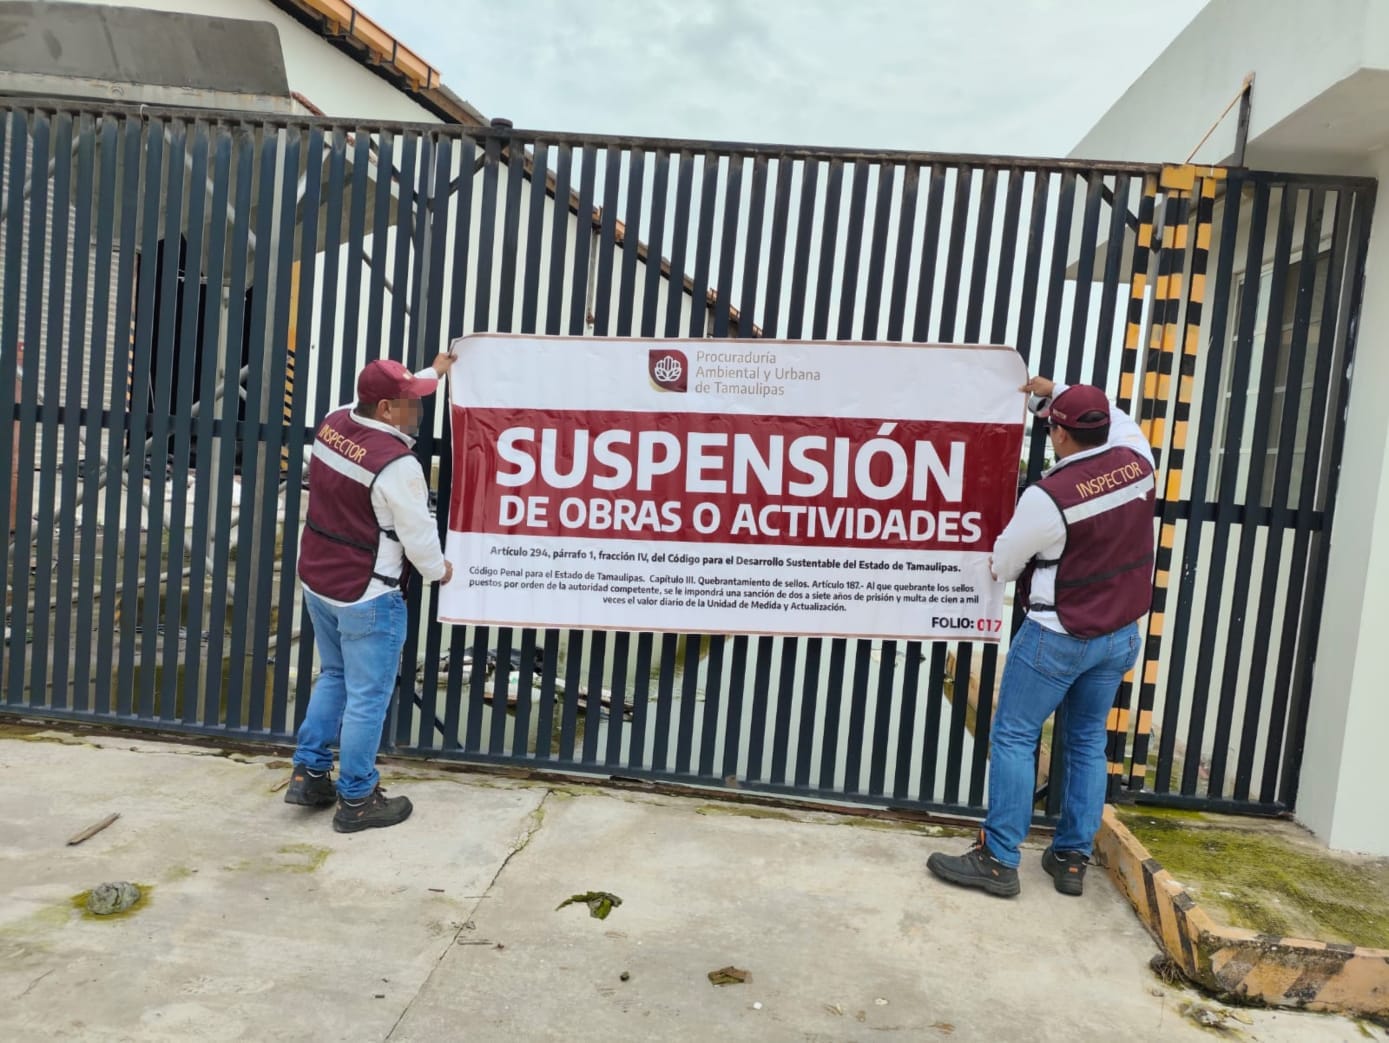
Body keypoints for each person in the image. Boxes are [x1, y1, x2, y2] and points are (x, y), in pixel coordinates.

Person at [927, 377, 1155, 897]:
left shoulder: (1049, 498)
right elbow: (1119, 418)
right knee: (1087, 741)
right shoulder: (1138, 462)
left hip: (1058, 635)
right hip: (1119, 634)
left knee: (1014, 735)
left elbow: (1005, 565)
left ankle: (999, 859)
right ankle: (1071, 859)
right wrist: (1061, 390)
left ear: (1058, 434)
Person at [284, 353, 455, 833]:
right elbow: (418, 534)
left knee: (335, 675)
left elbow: (391, 391)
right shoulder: (397, 465)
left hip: (319, 579)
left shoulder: (335, 421)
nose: (418, 411)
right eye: (410, 403)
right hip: (367, 593)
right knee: (367, 697)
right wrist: (439, 571)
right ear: (385, 409)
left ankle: (308, 773)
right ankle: (357, 799)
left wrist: (434, 373)